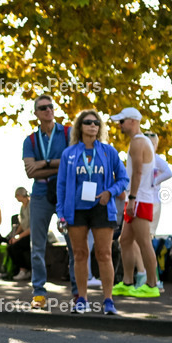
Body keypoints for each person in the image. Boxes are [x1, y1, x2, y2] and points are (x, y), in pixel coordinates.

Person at [56, 110, 129, 315]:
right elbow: (61, 186)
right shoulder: (69, 154)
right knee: (79, 254)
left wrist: (110, 192)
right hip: (76, 209)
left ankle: (108, 300)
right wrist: (61, 214)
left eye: (96, 123)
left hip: (102, 207)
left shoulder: (108, 152)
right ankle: (82, 299)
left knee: (104, 254)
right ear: (80, 127)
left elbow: (123, 179)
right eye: (88, 122)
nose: (93, 126)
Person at [22, 95, 78, 309]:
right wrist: (57, 164)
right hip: (39, 194)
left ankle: (77, 292)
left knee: (74, 245)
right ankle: (38, 293)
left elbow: (71, 162)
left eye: (50, 107)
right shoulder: (31, 140)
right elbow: (29, 172)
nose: (47, 110)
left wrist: (42, 164)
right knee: (37, 245)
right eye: (42, 108)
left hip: (65, 192)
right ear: (36, 113)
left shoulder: (67, 132)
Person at [110, 107, 161, 298]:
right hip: (138, 199)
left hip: (139, 200)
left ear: (132, 121)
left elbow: (138, 172)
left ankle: (151, 284)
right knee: (125, 241)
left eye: (121, 121)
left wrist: (131, 198)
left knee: (144, 242)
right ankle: (128, 282)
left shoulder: (138, 143)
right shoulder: (140, 141)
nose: (119, 125)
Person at [7, 187, 32, 280]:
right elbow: (22, 224)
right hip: (25, 233)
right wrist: (14, 235)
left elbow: (32, 227)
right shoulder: (23, 207)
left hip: (32, 235)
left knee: (16, 246)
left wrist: (18, 237)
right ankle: (19, 269)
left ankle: (24, 270)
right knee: (10, 246)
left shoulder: (31, 205)